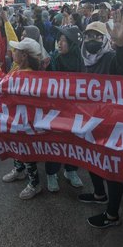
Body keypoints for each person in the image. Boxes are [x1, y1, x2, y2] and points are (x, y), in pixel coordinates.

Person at [78, 14, 123, 229]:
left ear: (105, 39)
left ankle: (112, 214)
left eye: (97, 35)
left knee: (111, 168)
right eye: (88, 35)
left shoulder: (112, 57)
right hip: (90, 120)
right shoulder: (82, 57)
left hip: (112, 123)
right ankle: (99, 194)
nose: (92, 39)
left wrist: (121, 45)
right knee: (91, 159)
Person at [1, 37, 44, 199]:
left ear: (25, 55)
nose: (13, 53)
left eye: (16, 51)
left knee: (26, 150)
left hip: (24, 121)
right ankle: (19, 169)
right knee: (16, 145)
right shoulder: (19, 69)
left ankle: (35, 184)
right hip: (15, 118)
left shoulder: (26, 76)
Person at [46, 25, 84, 191]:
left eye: (64, 41)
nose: (59, 44)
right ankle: (51, 173)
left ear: (73, 44)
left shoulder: (82, 62)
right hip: (55, 110)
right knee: (55, 140)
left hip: (75, 110)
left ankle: (71, 170)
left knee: (73, 140)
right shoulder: (53, 60)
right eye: (59, 40)